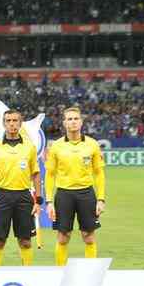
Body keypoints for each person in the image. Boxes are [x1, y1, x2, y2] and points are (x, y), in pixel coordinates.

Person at [45, 106, 106, 266]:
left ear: (81, 122)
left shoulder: (92, 144)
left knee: (89, 236)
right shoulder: (56, 146)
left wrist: (101, 199)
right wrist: (49, 201)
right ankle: (60, 272)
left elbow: (99, 173)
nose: (73, 122)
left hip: (86, 193)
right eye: (69, 119)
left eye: (76, 119)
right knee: (63, 237)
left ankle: (90, 272)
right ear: (64, 123)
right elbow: (50, 174)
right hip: (64, 194)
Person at [0, 110, 41, 266]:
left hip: (23, 196)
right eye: (8, 120)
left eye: (15, 120)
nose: (12, 124)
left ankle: (27, 274)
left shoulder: (29, 147)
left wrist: (38, 200)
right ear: (4, 124)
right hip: (1, 196)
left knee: (25, 241)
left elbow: (36, 174)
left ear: (20, 123)